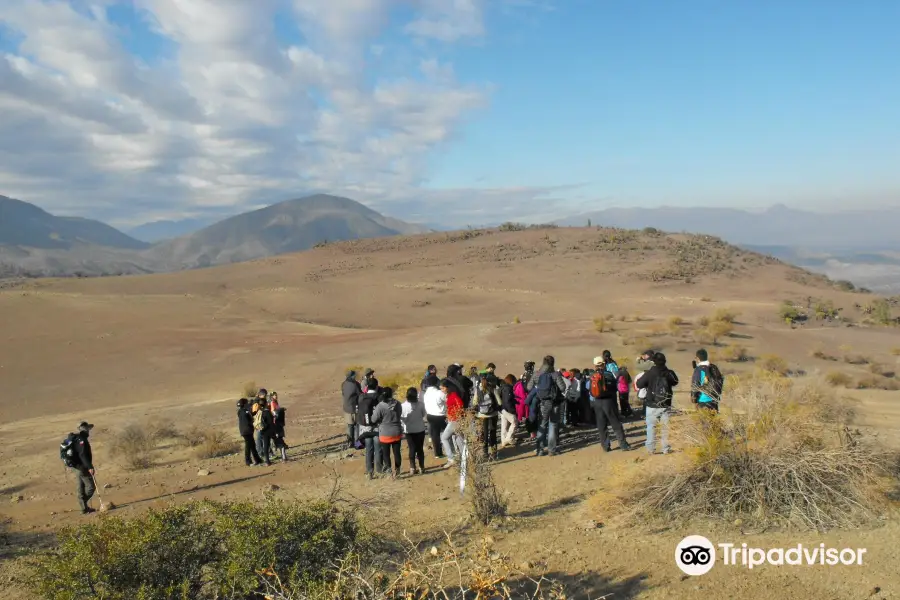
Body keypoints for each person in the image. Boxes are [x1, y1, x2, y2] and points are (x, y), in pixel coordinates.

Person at [637, 352, 680, 455]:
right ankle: (666, 448)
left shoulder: (650, 372)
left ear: (654, 362)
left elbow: (639, 384)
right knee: (665, 427)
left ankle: (651, 449)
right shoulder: (669, 372)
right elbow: (675, 381)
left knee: (651, 427)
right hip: (665, 403)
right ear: (664, 361)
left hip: (652, 404)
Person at [527, 355, 566, 456]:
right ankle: (551, 450)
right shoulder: (555, 374)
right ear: (553, 363)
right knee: (553, 425)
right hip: (554, 403)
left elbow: (528, 387)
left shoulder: (537, 374)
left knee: (542, 425)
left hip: (542, 403)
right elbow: (563, 387)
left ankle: (540, 450)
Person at [589, 357, 631, 452]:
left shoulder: (592, 376)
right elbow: (615, 388)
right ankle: (623, 444)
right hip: (609, 401)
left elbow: (591, 392)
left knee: (601, 425)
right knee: (615, 423)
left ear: (595, 365)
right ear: (604, 364)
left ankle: (606, 446)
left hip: (597, 403)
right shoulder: (609, 374)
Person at [371, 387, 404, 480]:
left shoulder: (380, 406)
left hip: (385, 433)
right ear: (391, 394)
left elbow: (373, 419)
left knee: (386, 454)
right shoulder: (398, 403)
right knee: (397, 453)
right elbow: (400, 413)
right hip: (396, 432)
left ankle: (389, 472)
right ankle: (397, 472)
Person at [357, 377, 384, 479]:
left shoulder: (361, 397)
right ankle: (380, 470)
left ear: (367, 386)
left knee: (369, 449)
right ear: (377, 386)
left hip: (365, 427)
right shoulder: (379, 397)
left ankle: (369, 472)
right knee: (378, 448)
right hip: (377, 426)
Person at [69, 422, 97, 514]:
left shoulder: (76, 438)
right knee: (91, 487)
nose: (89, 431)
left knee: (80, 486)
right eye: (88, 429)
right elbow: (83, 455)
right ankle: (82, 503)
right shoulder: (82, 440)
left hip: (75, 467)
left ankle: (84, 509)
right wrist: (90, 467)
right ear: (85, 430)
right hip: (81, 467)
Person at [401, 386, 427, 475]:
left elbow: (401, 418)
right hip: (420, 429)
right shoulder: (420, 404)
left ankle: (412, 468)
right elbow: (424, 414)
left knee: (411, 449)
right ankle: (422, 467)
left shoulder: (403, 406)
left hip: (409, 431)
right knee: (420, 449)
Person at [475, 374, 501, 459]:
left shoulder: (477, 390)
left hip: (482, 415)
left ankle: (485, 453)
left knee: (484, 434)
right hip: (493, 414)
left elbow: (474, 403)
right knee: (493, 433)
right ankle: (494, 454)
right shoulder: (493, 388)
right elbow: (500, 402)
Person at [440, 380, 465, 467]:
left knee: (444, 438)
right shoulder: (450, 395)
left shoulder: (453, 395)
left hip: (455, 420)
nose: (442, 390)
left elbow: (460, 405)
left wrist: (455, 414)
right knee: (459, 439)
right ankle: (464, 458)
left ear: (447, 387)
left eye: (443, 388)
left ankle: (451, 459)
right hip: (455, 420)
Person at [423, 374, 448, 459]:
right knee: (448, 434)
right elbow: (447, 400)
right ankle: (451, 451)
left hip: (430, 416)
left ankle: (438, 453)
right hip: (440, 416)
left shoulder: (425, 393)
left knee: (435, 436)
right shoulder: (439, 392)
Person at [237, 398, 262, 466]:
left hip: (245, 431)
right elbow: (249, 419)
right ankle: (248, 461)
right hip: (247, 431)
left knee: (252, 445)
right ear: (244, 404)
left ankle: (258, 460)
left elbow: (249, 416)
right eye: (246, 403)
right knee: (248, 446)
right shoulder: (245, 411)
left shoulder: (241, 411)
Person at [341, 371, 362, 449]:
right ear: (352, 376)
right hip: (354, 408)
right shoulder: (355, 384)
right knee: (356, 426)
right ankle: (357, 444)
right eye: (354, 376)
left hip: (346, 408)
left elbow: (343, 394)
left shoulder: (343, 384)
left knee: (350, 426)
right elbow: (360, 395)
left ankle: (350, 443)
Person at [253, 395, 274, 466]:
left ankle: (267, 461)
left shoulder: (259, 412)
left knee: (265, 445)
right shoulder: (267, 412)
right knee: (266, 446)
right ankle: (267, 461)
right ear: (265, 404)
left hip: (262, 430)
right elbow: (271, 423)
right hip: (267, 431)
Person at [499, 374, 518, 447]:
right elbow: (507, 401)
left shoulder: (502, 387)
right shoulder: (508, 388)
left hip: (502, 409)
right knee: (515, 422)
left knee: (504, 425)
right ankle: (509, 438)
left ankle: (503, 441)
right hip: (507, 409)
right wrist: (512, 411)